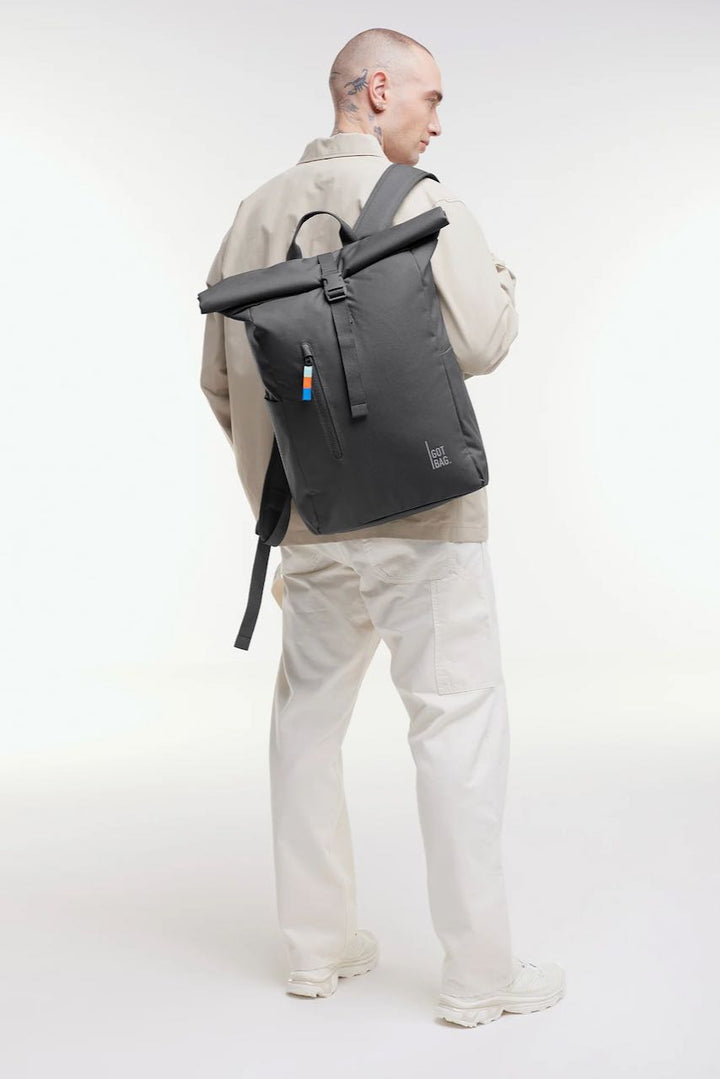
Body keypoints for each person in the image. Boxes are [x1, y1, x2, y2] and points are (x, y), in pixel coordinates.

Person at [199, 26, 566, 1027]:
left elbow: (221, 379)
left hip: (310, 522)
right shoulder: (427, 199)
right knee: (455, 728)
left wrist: (284, 505)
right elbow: (482, 340)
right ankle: (479, 975)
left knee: (306, 726)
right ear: (373, 90)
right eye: (429, 98)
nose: (437, 121)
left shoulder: (254, 212)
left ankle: (317, 950)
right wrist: (504, 277)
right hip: (426, 517)